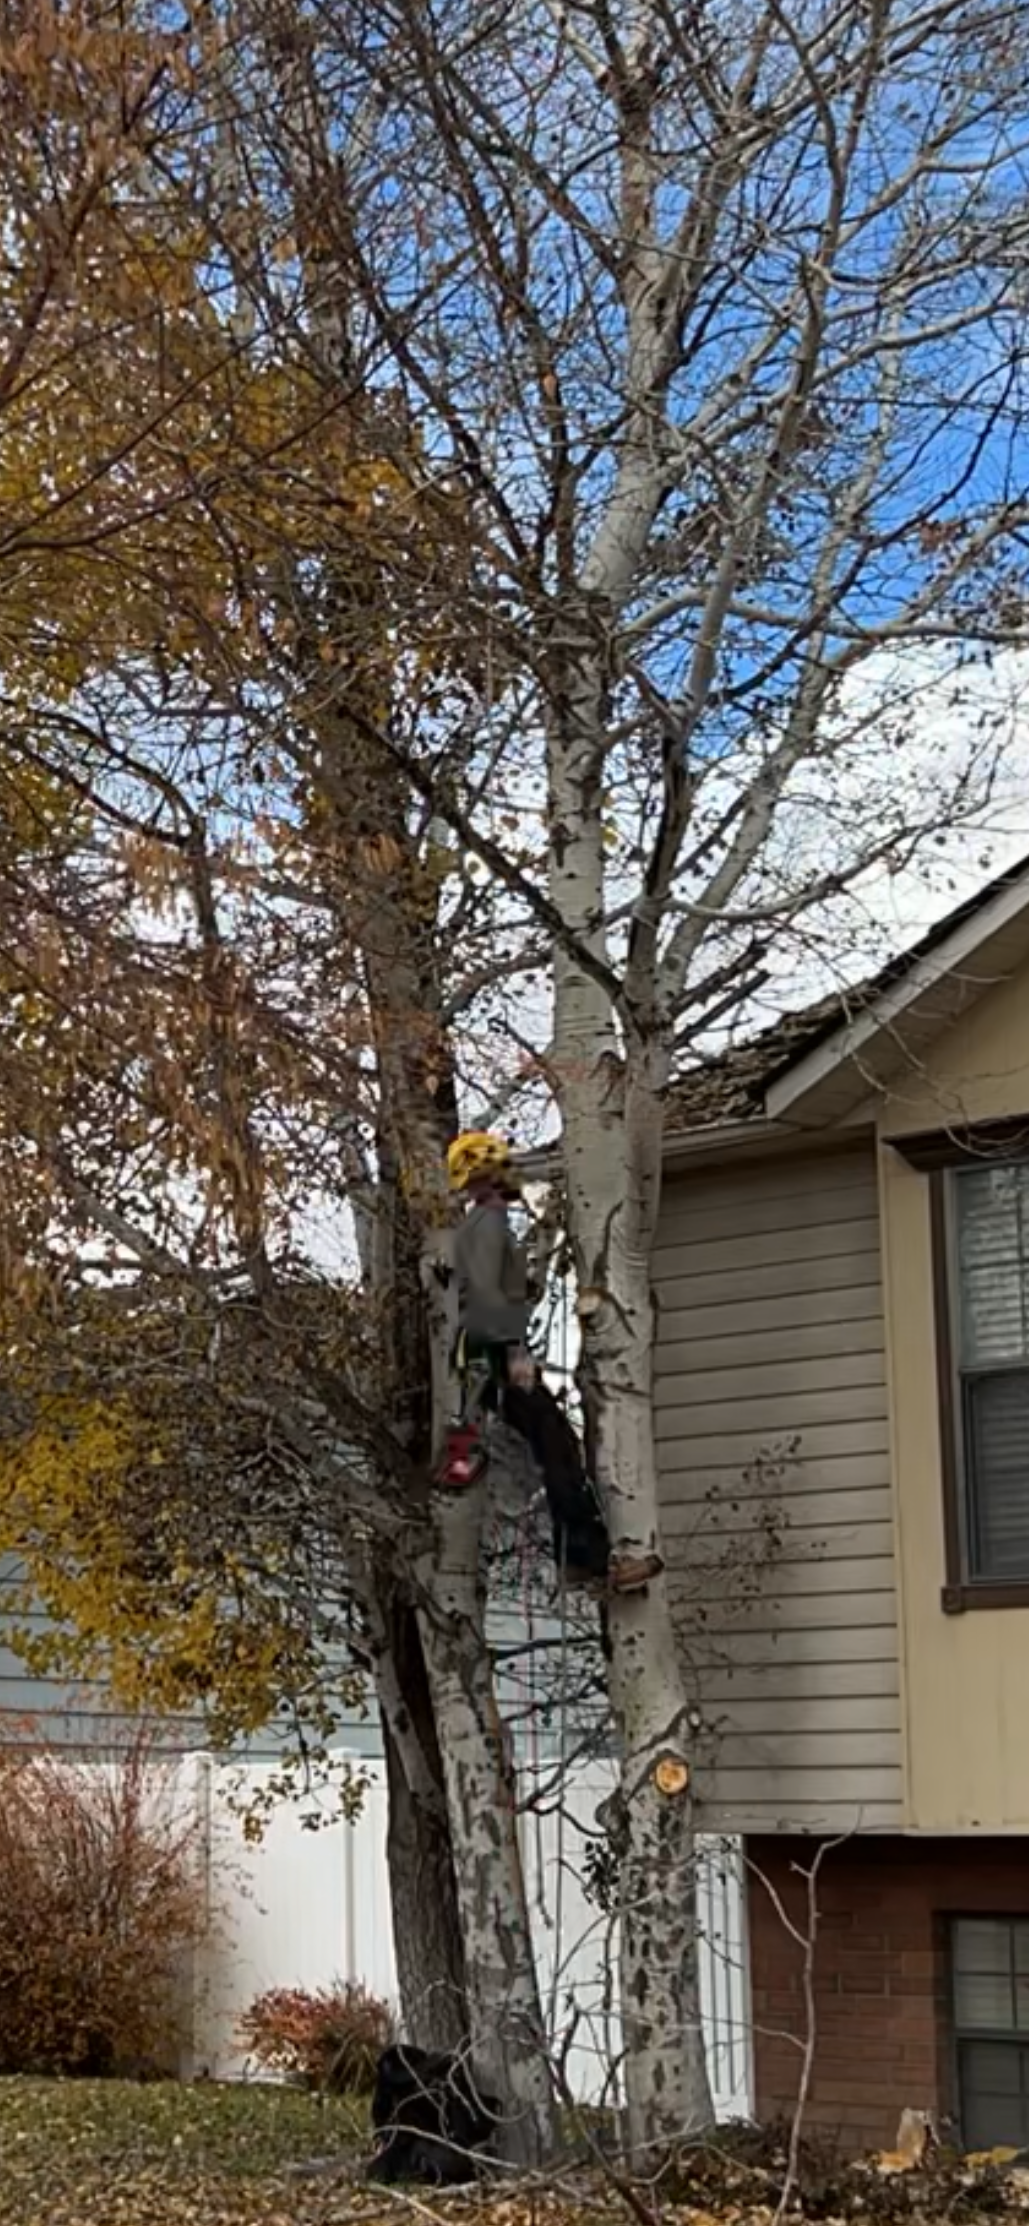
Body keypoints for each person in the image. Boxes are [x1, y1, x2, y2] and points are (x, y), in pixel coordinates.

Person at [438, 1130, 663, 1597]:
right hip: (494, 1356)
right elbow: (485, 1298)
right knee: (557, 1446)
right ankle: (587, 1555)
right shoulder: (485, 1228)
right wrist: (514, 1353)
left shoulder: (483, 1228)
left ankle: (580, 1557)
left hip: (486, 1358)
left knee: (554, 1445)